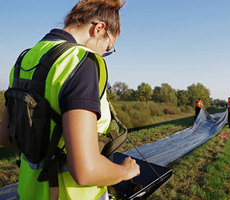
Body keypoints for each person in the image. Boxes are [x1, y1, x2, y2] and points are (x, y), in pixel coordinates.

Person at [0, 0, 140, 199]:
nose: (103, 54)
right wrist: (126, 172)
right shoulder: (81, 62)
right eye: (108, 48)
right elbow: (85, 170)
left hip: (28, 193)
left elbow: (6, 137)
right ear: (99, 29)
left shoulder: (25, 58)